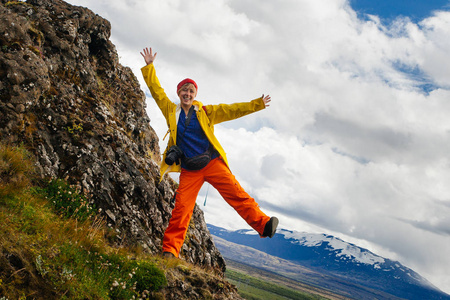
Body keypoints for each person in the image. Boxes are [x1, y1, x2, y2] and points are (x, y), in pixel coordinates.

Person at [140, 47, 278, 258]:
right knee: (181, 210)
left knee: (237, 195)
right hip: (190, 169)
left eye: (191, 91)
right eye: (184, 90)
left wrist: (256, 104)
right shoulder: (171, 110)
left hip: (212, 163)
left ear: (195, 95)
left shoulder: (205, 112)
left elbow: (232, 110)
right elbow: (156, 91)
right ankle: (170, 250)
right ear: (179, 93)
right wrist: (150, 67)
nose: (187, 94)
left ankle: (264, 225)